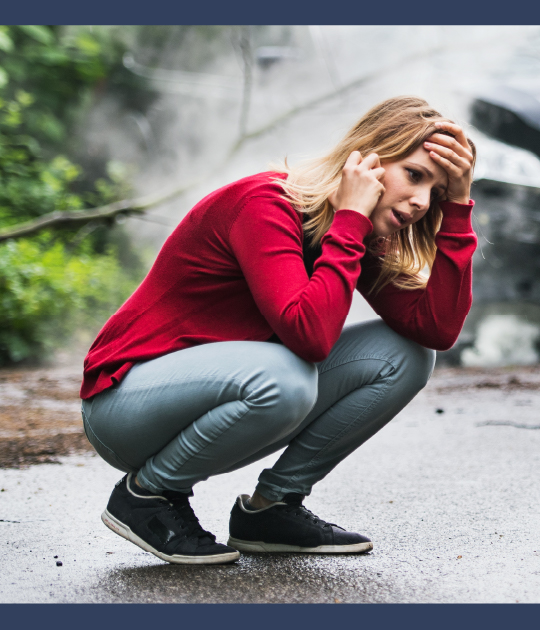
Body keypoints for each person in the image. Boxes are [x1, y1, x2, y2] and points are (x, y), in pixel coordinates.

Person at [78, 96, 477, 565]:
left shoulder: (356, 233)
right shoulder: (266, 203)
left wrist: (459, 209)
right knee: (287, 374)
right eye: (414, 175)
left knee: (406, 355)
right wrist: (349, 221)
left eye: (437, 190)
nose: (421, 201)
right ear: (367, 159)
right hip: (124, 404)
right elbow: (309, 337)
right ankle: (147, 496)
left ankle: (271, 509)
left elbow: (435, 328)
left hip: (219, 400)